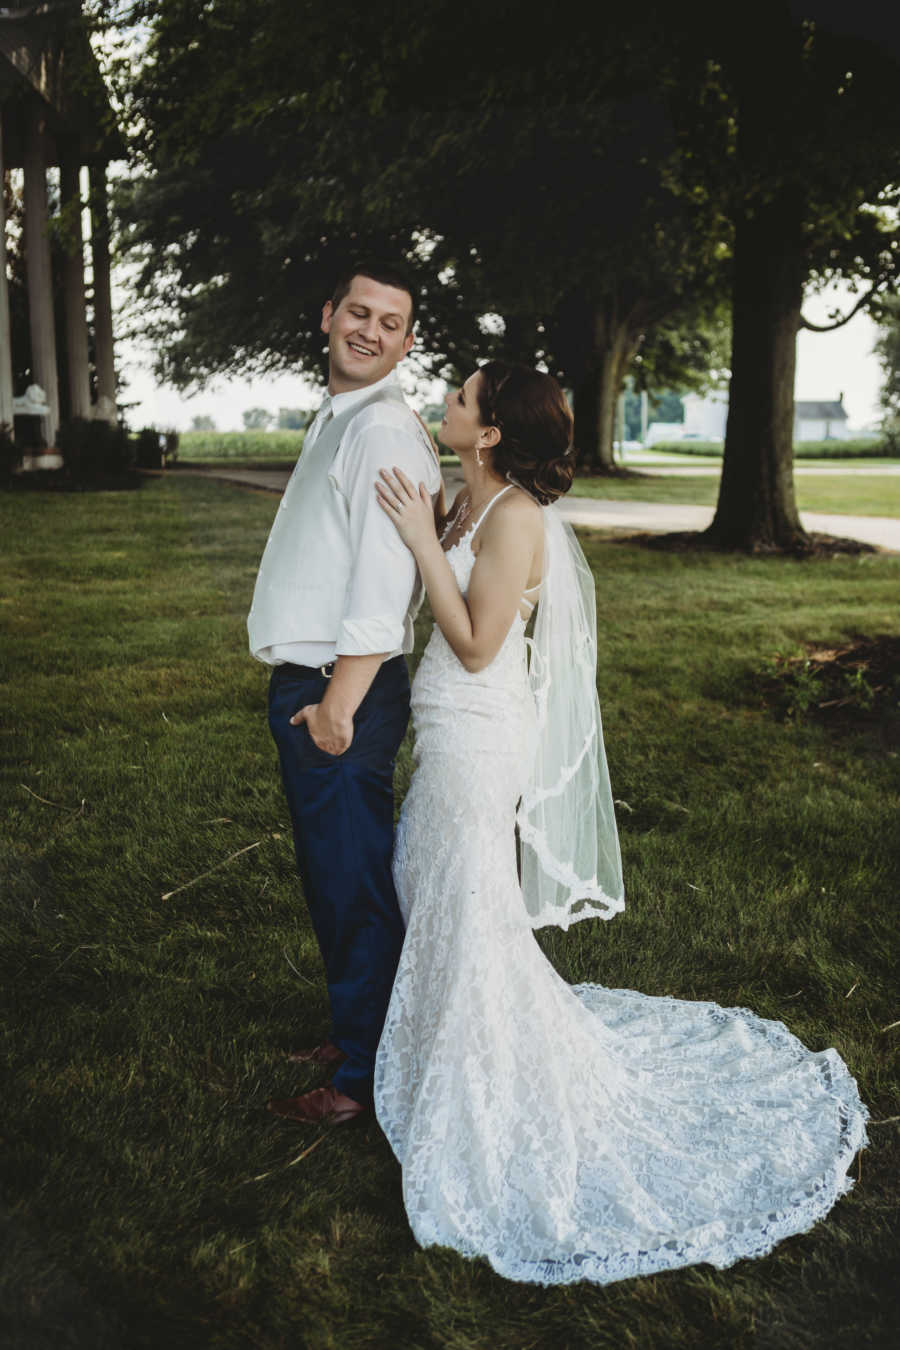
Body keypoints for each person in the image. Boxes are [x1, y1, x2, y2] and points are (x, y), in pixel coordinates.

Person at [371, 360, 868, 1286]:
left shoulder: (516, 517)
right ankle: (445, 1027)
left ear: (488, 433)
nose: (444, 401)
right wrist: (424, 523)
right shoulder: (467, 501)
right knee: (432, 877)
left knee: (467, 889)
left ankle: (484, 1066)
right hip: (444, 718)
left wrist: (420, 540)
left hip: (482, 727)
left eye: (459, 398)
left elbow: (479, 646)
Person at [247, 262, 442, 1125]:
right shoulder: (343, 415)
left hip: (342, 688)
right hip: (319, 680)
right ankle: (353, 1028)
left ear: (406, 343)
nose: (369, 330)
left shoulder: (383, 431)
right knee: (332, 875)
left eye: (389, 323)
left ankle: (363, 1079)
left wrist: (339, 703)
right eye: (357, 312)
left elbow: (383, 579)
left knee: (354, 880)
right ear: (329, 316)